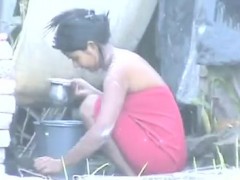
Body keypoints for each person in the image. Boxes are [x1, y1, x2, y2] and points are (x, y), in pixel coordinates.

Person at [34, 9, 187, 176]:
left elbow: (102, 131)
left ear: (91, 47)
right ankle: (130, 174)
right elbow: (129, 111)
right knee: (94, 102)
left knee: (89, 108)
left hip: (162, 157)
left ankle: (129, 175)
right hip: (170, 156)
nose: (76, 65)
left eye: (75, 58)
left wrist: (61, 163)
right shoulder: (124, 60)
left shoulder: (117, 72)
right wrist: (92, 91)